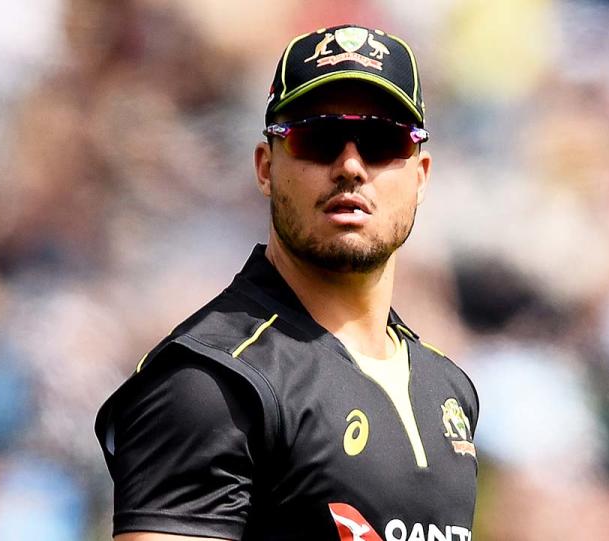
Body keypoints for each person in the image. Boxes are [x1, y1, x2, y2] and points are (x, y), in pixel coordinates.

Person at [95, 24, 479, 541]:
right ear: (265, 167)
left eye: (381, 141)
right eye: (317, 138)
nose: (349, 166)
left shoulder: (448, 390)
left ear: (421, 175)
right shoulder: (213, 383)